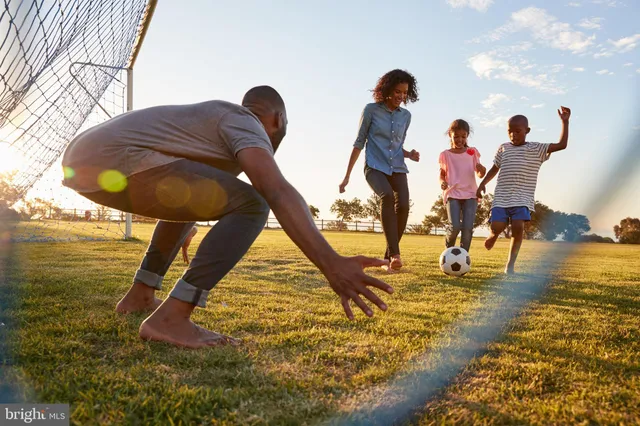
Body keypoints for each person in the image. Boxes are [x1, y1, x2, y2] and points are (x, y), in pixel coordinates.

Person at [61, 86, 394, 349]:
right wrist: (331, 263)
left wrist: (185, 219)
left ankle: (140, 296)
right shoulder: (243, 120)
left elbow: (186, 190)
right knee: (254, 203)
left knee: (205, 200)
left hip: (86, 161)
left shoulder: (215, 127)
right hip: (114, 157)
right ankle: (171, 319)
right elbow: (275, 189)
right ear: (277, 119)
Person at [338, 69, 420, 273]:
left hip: (398, 167)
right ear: (387, 90)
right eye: (398, 92)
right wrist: (347, 175)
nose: (401, 97)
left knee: (403, 205)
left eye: (405, 92)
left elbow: (397, 145)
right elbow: (359, 143)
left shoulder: (406, 116)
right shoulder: (371, 110)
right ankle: (395, 254)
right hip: (374, 167)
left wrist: (410, 154)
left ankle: (389, 257)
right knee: (387, 196)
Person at [476, 106, 571, 274]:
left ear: (527, 130)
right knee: (497, 226)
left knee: (518, 227)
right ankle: (493, 234)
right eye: (509, 132)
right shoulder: (503, 148)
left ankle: (510, 264)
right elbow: (494, 168)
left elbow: (562, 145)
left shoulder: (537, 149)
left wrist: (565, 122)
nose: (513, 135)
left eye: (517, 131)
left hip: (522, 198)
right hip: (502, 197)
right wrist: (483, 183)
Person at [438, 119, 486, 252]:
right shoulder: (445, 155)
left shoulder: (472, 152)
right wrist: (442, 182)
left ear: (467, 136)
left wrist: (482, 170)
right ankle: (449, 252)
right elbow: (442, 174)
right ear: (450, 135)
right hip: (453, 193)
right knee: (454, 227)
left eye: (463, 137)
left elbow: (480, 174)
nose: (460, 140)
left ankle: (463, 256)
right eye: (456, 136)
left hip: (471, 194)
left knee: (467, 228)